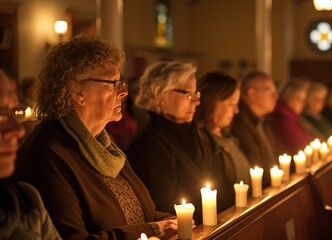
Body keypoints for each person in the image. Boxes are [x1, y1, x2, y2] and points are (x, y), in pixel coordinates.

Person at [14, 35, 176, 239]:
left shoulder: (105, 145)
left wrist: (176, 220)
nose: (124, 92)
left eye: (122, 82)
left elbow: (144, 213)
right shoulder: (45, 154)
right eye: (113, 83)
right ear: (77, 91)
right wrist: (153, 229)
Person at [126, 61, 207, 224]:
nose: (196, 102)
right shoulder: (150, 145)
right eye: (189, 94)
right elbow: (161, 211)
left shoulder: (187, 134)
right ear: (160, 95)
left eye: (196, 94)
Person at [0, 70, 61, 239]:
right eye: (0, 115)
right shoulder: (45, 150)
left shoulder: (27, 200)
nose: (18, 131)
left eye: (13, 111)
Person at [195, 71, 251, 212]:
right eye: (232, 103)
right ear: (211, 101)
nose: (236, 110)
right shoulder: (200, 142)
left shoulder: (230, 138)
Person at [231, 71, 283, 188]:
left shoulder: (265, 121)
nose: (276, 97)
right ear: (252, 93)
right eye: (270, 92)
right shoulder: (238, 123)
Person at [272, 80, 313, 155]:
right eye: (299, 99)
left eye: (304, 100)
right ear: (288, 97)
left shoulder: (293, 117)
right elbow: (299, 144)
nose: (303, 104)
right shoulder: (282, 118)